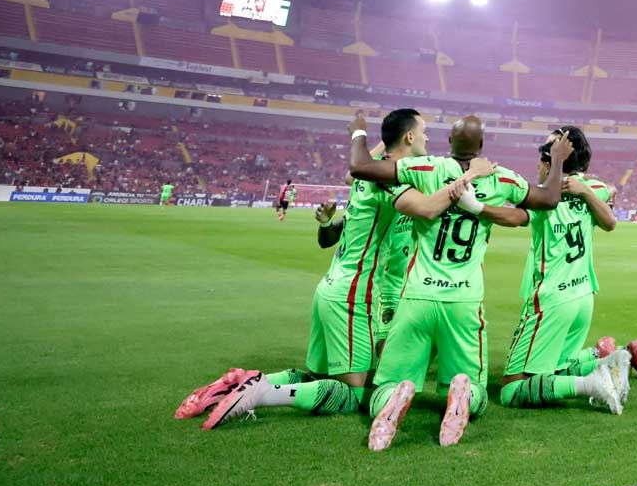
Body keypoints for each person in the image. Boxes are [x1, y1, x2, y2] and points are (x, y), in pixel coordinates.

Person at [185, 108, 445, 429]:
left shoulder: (368, 175)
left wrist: (380, 142)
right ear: (409, 136)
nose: (427, 137)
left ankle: (242, 381)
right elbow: (425, 208)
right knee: (355, 394)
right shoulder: (387, 178)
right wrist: (465, 185)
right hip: (353, 295)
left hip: (330, 289)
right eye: (423, 131)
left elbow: (353, 173)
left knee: (318, 377)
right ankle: (264, 393)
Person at [349, 113, 591, 450]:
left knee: (386, 382)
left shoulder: (427, 167)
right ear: (481, 145)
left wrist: (359, 132)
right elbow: (548, 199)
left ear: (449, 141)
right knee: (476, 390)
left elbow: (360, 167)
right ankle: (462, 394)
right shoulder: (499, 178)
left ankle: (393, 398)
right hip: (464, 302)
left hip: (418, 296)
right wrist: (559, 160)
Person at [500, 126, 637, 411]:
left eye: (545, 155)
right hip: (582, 296)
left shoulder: (541, 198)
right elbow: (610, 193)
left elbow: (513, 215)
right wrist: (585, 187)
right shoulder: (593, 189)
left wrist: (475, 207)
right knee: (556, 367)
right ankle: (613, 359)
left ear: (552, 162)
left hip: (553, 300)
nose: (539, 161)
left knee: (512, 389)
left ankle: (593, 384)